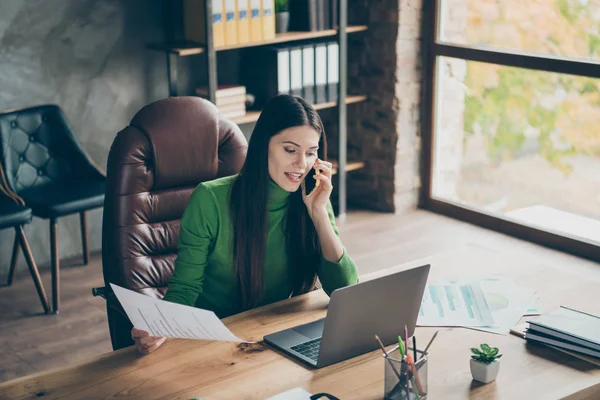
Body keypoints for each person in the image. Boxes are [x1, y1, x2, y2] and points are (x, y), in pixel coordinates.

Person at [132, 95, 359, 354]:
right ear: (263, 146)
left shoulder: (313, 196)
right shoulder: (209, 199)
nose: (301, 164)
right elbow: (184, 289)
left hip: (269, 336)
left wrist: (318, 213)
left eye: (311, 153)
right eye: (290, 150)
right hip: (210, 339)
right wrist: (161, 325)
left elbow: (345, 289)